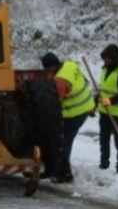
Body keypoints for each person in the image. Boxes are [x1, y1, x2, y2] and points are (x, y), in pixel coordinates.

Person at [41, 52, 96, 184]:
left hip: (75, 113)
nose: (47, 72)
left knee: (63, 142)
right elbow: (85, 81)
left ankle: (65, 173)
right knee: (66, 141)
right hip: (86, 106)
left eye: (47, 69)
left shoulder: (59, 81)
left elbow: (56, 102)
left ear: (52, 67)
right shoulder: (70, 65)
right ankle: (60, 169)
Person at [96, 44, 118, 173]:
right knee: (104, 139)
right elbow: (101, 90)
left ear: (115, 58)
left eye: (108, 58)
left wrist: (111, 101)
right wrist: (94, 104)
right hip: (104, 112)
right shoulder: (104, 70)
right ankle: (104, 163)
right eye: (105, 58)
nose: (106, 60)